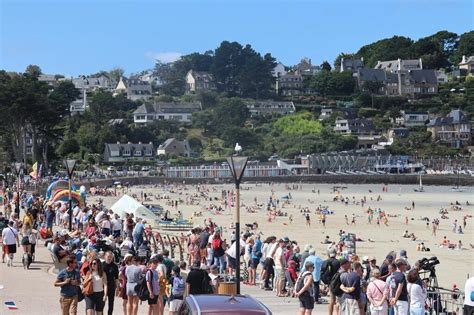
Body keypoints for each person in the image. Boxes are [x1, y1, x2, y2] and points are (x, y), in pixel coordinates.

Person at [102, 251, 119, 315]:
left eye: (111, 257)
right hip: (102, 286)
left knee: (111, 303)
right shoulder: (101, 265)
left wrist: (117, 288)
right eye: (108, 256)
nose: (109, 258)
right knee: (102, 303)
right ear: (105, 256)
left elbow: (117, 278)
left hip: (111, 286)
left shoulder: (114, 266)